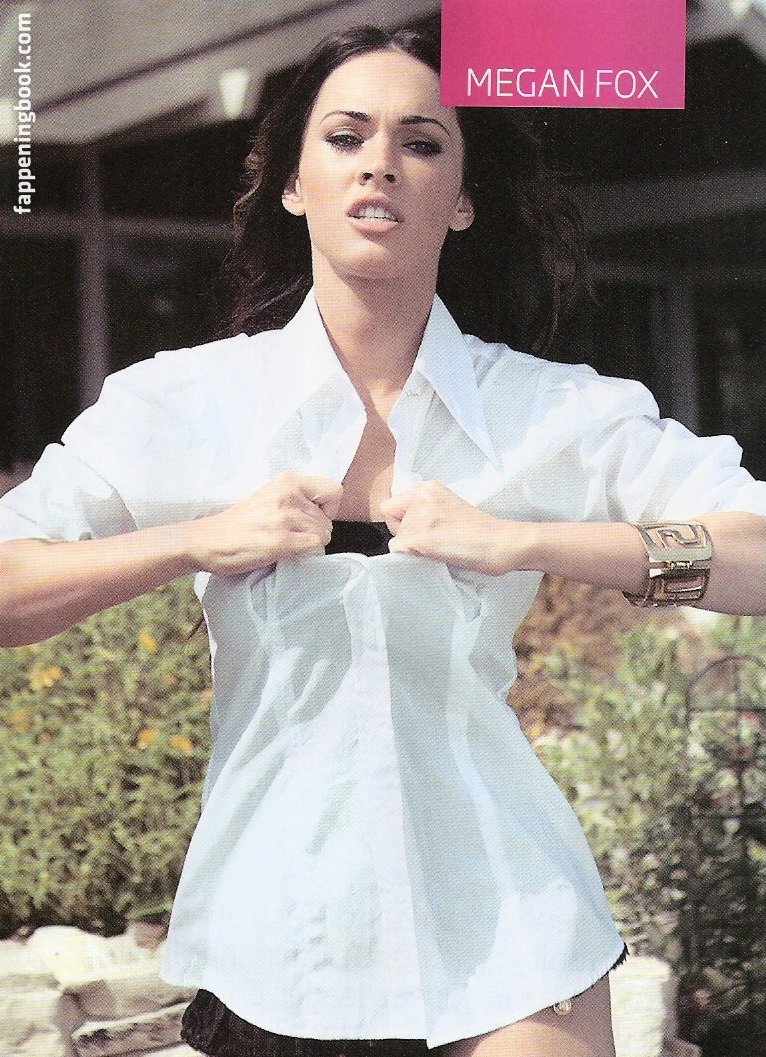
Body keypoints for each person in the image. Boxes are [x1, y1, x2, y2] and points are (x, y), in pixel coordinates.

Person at [1, 22, 765, 1057]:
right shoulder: (183, 404)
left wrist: (530, 541)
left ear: (463, 198)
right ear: (291, 183)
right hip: (276, 941)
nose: (380, 163)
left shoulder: (548, 409)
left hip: (510, 925)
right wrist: (196, 540)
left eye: (421, 141)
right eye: (346, 135)